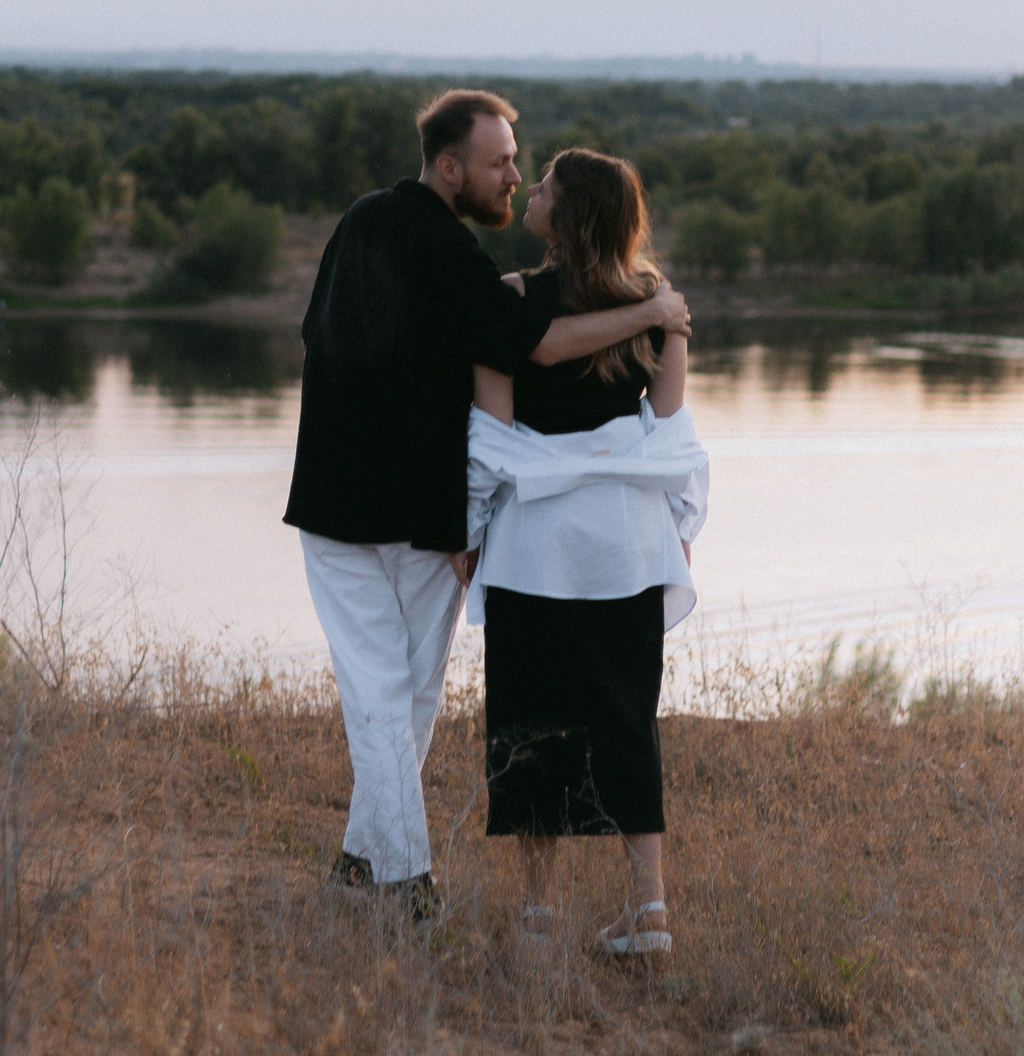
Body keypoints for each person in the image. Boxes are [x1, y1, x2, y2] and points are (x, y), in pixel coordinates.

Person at [283, 91, 690, 918]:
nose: (512, 174)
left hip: (416, 515)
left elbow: (316, 335)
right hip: (382, 511)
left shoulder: (369, 225)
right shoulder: (455, 257)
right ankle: (409, 880)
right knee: (389, 698)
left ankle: (364, 863)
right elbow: (537, 346)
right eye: (501, 161)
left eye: (519, 163)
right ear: (448, 165)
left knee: (403, 700)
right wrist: (652, 312)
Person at [464, 148, 707, 958]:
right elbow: (669, 427)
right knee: (626, 716)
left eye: (543, 187)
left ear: (567, 217)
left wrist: (469, 532)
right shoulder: (657, 307)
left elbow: (489, 439)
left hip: (536, 544)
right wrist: (672, 523)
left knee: (535, 718)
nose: (528, 191)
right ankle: (649, 910)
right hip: (628, 545)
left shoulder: (510, 299)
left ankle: (538, 916)